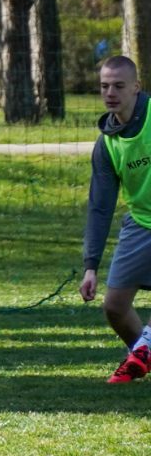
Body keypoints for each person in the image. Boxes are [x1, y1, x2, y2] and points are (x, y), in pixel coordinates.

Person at [81, 54, 151, 384]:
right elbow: (100, 205)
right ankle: (144, 353)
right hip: (141, 223)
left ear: (137, 87)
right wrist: (90, 265)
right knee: (114, 307)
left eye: (119, 85)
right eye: (104, 86)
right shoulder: (107, 143)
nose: (110, 92)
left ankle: (143, 353)